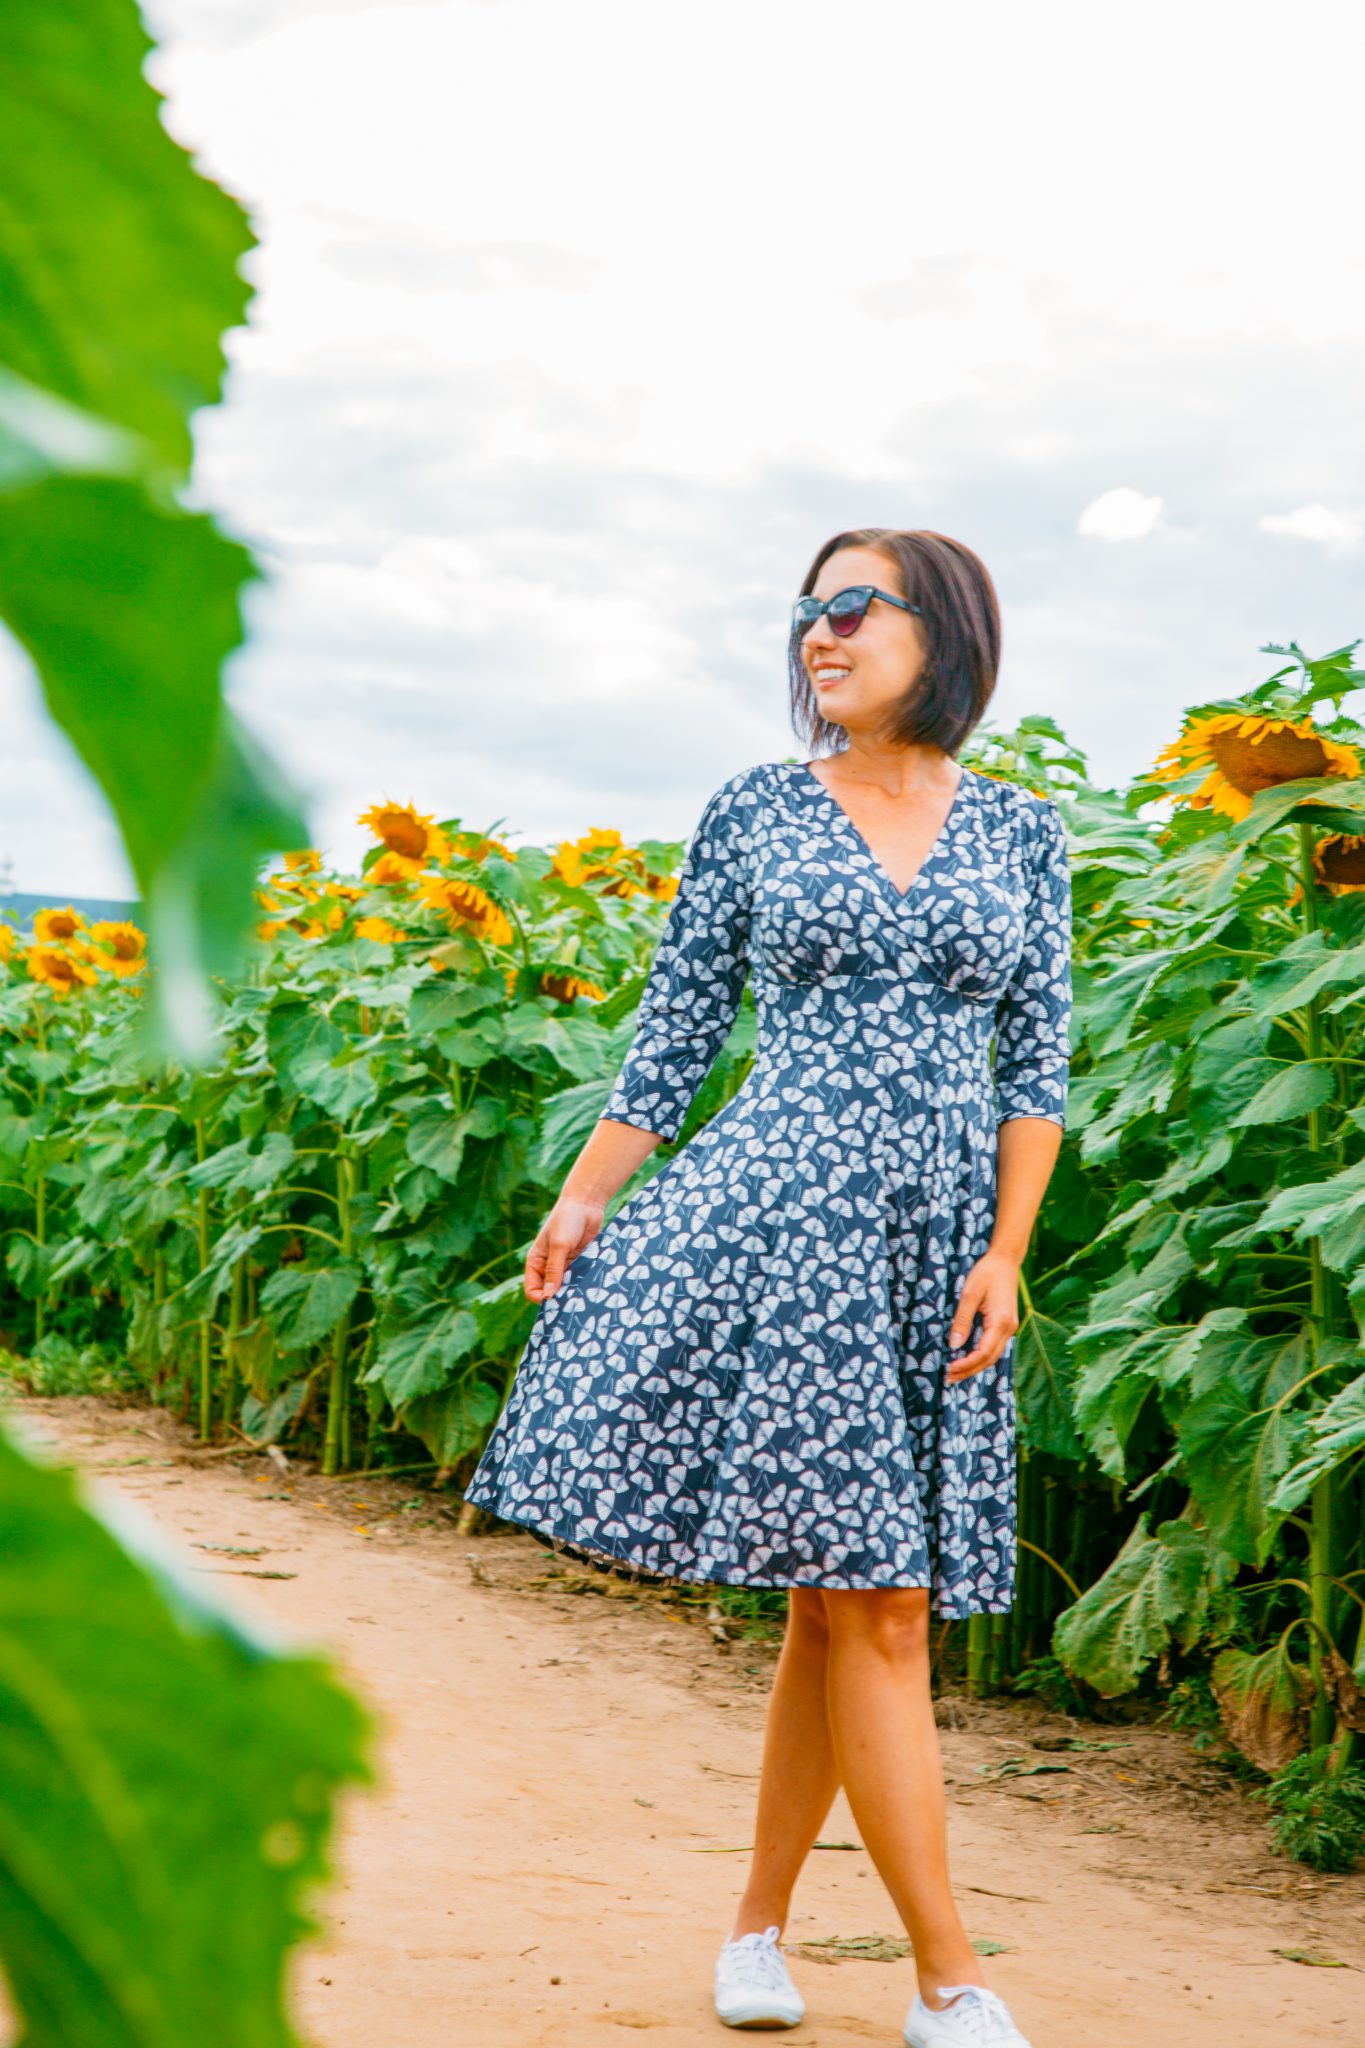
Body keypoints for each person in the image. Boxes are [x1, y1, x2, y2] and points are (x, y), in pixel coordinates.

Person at [461, 526, 1072, 2047]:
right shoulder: (754, 810)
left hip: (935, 1244)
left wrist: (1005, 1251)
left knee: (835, 1610)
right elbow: (674, 1033)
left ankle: (754, 1929)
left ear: (942, 630)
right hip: (788, 1221)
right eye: (806, 610)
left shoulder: (1023, 833)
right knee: (878, 1610)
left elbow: (1039, 1068)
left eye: (853, 606)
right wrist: (583, 1195)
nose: (819, 632)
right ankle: (950, 1977)